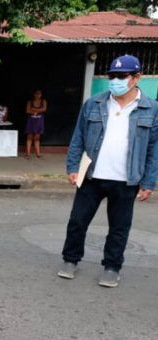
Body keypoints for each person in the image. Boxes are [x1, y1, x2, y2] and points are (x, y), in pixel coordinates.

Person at [57, 54, 157, 288]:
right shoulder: (94, 103)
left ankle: (112, 267)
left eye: (121, 76)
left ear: (136, 78)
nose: (115, 81)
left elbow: (154, 149)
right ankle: (70, 260)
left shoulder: (151, 109)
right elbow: (78, 138)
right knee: (77, 221)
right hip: (92, 175)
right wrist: (73, 167)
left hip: (126, 180)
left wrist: (149, 182)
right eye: (112, 76)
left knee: (119, 227)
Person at [24, 89, 47, 159]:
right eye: (36, 93)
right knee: (29, 136)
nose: (38, 95)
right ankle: (28, 153)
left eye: (39, 94)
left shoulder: (43, 101)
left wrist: (33, 110)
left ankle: (38, 154)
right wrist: (36, 111)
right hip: (31, 120)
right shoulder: (30, 102)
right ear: (34, 94)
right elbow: (27, 110)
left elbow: (44, 109)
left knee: (37, 137)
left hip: (39, 121)